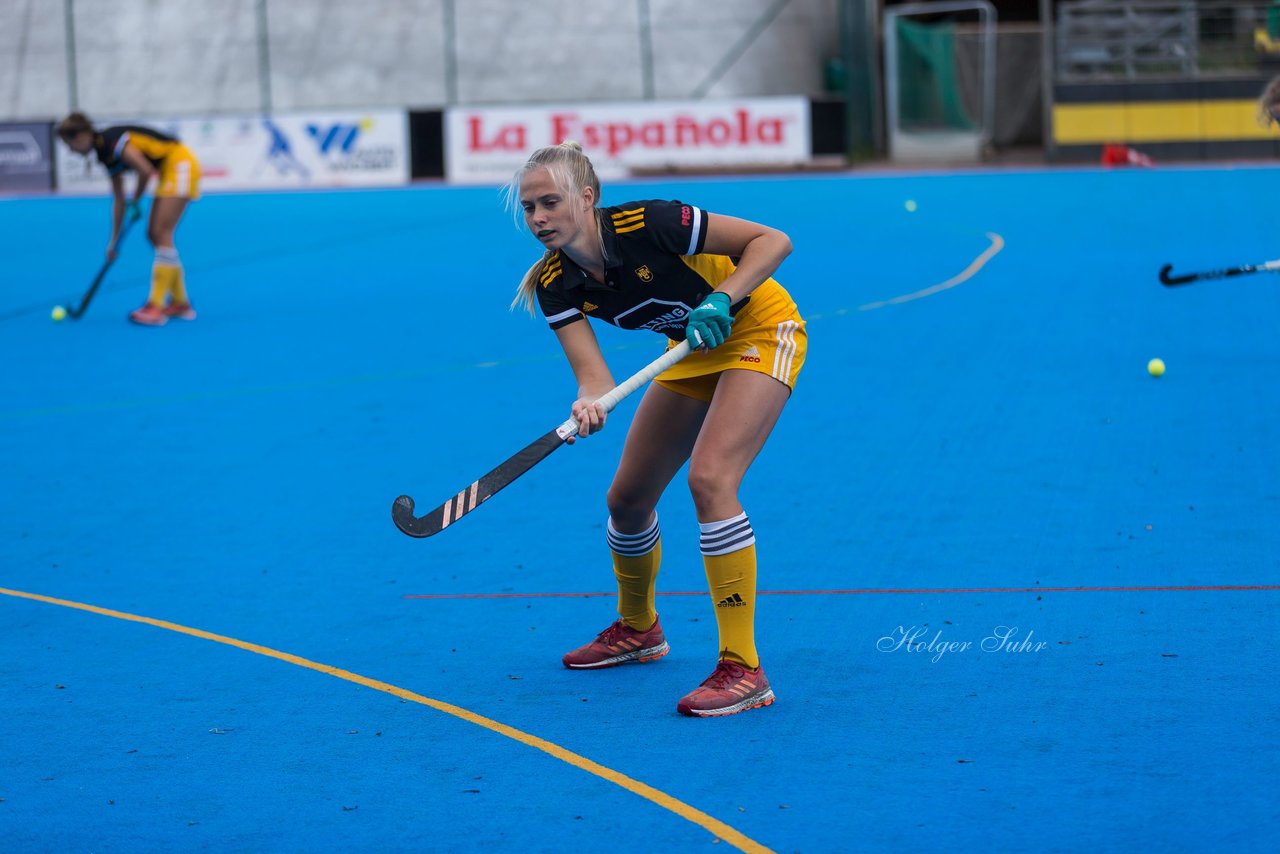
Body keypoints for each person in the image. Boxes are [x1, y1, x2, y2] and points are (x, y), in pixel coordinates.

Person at [506, 141, 807, 717]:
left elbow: (774, 241)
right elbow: (593, 378)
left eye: (550, 202)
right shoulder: (555, 283)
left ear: (586, 197)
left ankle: (743, 665)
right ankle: (640, 628)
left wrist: (722, 297)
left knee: (711, 480)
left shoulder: (652, 223)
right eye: (529, 208)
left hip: (761, 330)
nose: (539, 218)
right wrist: (588, 404)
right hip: (690, 351)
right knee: (627, 498)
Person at [56, 112, 200, 326]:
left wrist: (137, 200)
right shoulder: (104, 153)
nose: (71, 151)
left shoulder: (111, 141)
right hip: (168, 169)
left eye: (70, 145)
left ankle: (155, 306)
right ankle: (180, 303)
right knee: (155, 235)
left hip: (179, 164)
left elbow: (144, 169)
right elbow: (119, 199)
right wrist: (113, 242)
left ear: (81, 137)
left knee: (161, 233)